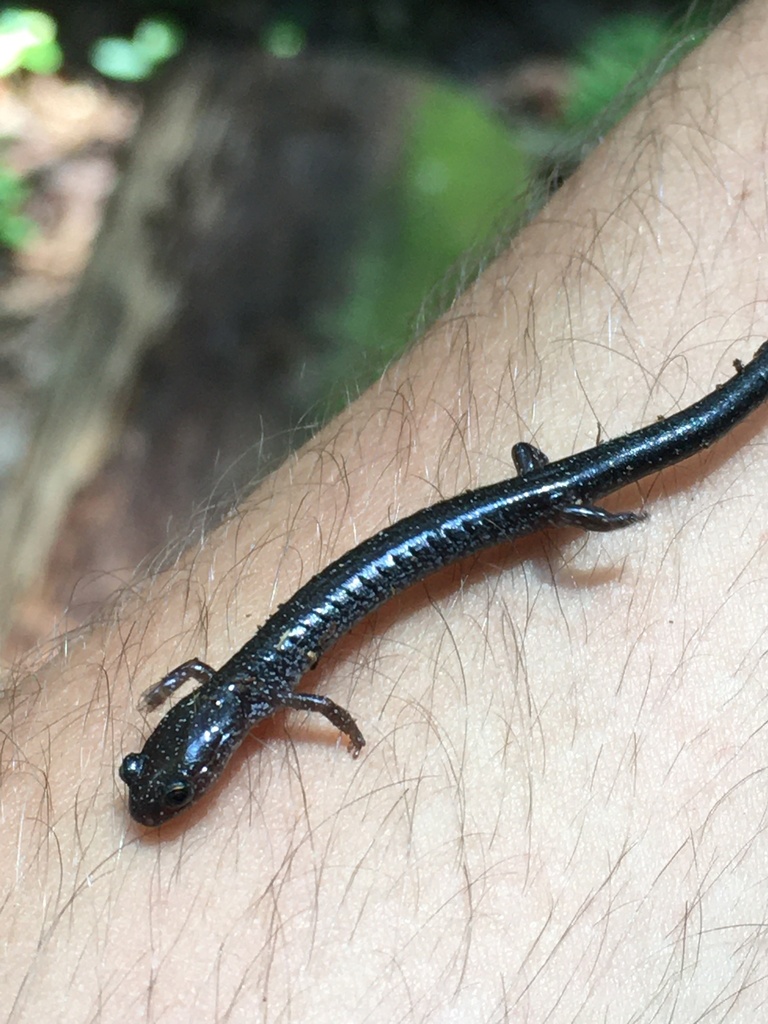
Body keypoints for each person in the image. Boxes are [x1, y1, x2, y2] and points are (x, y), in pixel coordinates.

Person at [4, 1, 768, 1018]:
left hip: (501, 510)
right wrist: (190, 698)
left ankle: (726, 396)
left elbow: (295, 698)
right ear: (205, 738)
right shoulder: (246, 691)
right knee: (615, 465)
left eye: (161, 774)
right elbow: (257, 687)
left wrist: (303, 721)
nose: (163, 781)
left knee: (647, 453)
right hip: (494, 509)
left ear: (217, 742)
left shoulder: (253, 696)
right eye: (167, 776)